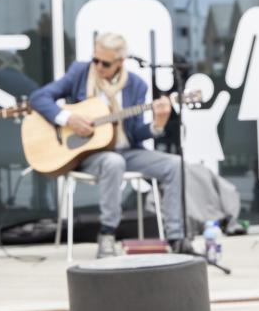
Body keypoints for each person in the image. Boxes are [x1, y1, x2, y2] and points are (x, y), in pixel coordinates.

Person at [30, 32, 186, 258]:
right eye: (95, 59)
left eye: (105, 63)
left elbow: (137, 134)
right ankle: (107, 234)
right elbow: (39, 97)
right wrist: (67, 118)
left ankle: (176, 237)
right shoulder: (80, 73)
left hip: (127, 150)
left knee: (174, 164)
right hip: (89, 154)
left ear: (120, 62)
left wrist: (157, 124)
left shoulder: (136, 86)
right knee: (114, 162)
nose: (98, 66)